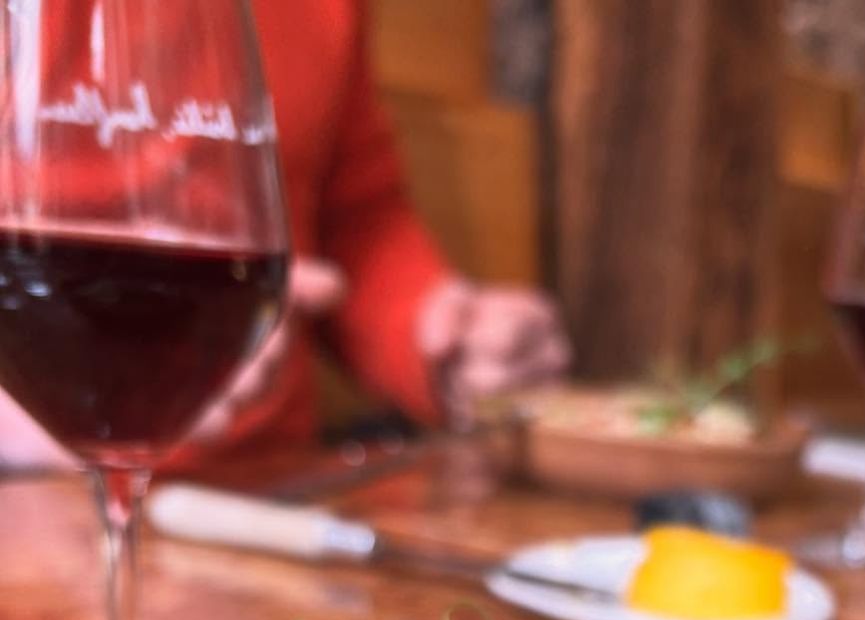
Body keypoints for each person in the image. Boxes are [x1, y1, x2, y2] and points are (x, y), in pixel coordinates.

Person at [0, 0, 569, 467]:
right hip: (28, 490)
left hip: (269, 488)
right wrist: (30, 424)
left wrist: (438, 336)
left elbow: (357, 223)